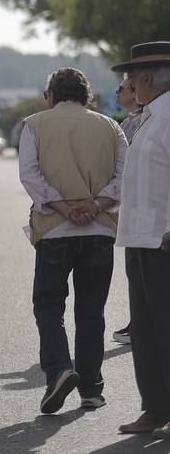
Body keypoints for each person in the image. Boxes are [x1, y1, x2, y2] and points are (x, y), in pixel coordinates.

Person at [18, 68, 126, 413]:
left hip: (54, 229)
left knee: (49, 305)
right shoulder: (110, 126)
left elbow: (29, 175)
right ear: (87, 95)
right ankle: (92, 389)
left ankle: (60, 370)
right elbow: (125, 177)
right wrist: (94, 205)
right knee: (91, 310)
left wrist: (64, 207)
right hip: (100, 229)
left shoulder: (35, 124)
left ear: (50, 95)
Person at [110, 42, 170, 438]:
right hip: (141, 238)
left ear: (146, 77)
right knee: (147, 330)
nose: (128, 83)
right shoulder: (151, 116)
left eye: (130, 76)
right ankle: (155, 407)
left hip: (164, 239)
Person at [111, 77, 144, 346]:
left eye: (121, 88)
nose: (116, 92)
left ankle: (142, 325)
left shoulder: (140, 121)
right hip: (135, 204)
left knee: (142, 270)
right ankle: (140, 322)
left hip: (145, 205)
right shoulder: (129, 120)